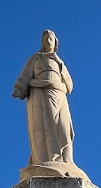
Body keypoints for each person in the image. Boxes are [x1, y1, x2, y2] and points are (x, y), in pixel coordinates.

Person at [12, 30, 75, 165]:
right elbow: (25, 76)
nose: (48, 41)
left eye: (51, 39)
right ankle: (46, 161)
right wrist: (20, 88)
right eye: (45, 39)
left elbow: (69, 86)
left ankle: (67, 161)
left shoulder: (59, 63)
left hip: (59, 95)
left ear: (56, 42)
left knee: (64, 128)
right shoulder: (36, 58)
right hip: (40, 95)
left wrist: (58, 68)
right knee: (43, 128)